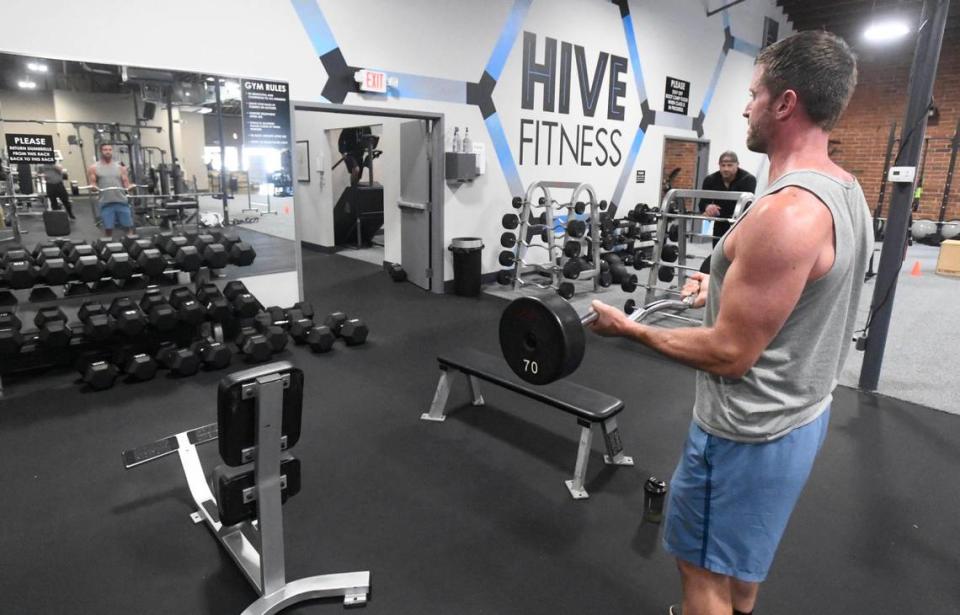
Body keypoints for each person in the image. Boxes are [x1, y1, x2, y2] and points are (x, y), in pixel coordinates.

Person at [587, 30, 872, 615]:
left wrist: (631, 330)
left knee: (701, 573)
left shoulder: (787, 211)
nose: (746, 106)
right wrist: (715, 283)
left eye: (754, 94)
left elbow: (729, 353)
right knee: (738, 567)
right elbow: (802, 292)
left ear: (785, 103)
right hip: (800, 413)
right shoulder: (845, 189)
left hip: (746, 429)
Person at [698, 151, 757, 246]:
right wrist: (708, 207)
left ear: (737, 165)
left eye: (730, 165)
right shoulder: (710, 180)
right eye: (723, 165)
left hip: (740, 224)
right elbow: (702, 203)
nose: (726, 169)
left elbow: (747, 206)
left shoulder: (748, 180)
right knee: (717, 252)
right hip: (720, 223)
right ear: (719, 166)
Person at [87, 144, 133, 239]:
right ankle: (108, 247)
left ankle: (132, 244)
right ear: (101, 151)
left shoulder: (120, 167)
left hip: (121, 201)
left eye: (110, 149)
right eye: (105, 150)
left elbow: (126, 183)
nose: (108, 151)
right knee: (108, 229)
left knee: (128, 227)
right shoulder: (93, 168)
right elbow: (93, 183)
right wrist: (94, 187)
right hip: (105, 202)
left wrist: (130, 187)